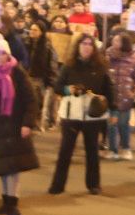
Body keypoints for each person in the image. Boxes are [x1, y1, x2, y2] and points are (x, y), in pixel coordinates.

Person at [0, 34, 39, 215]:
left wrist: (28, 123)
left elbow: (31, 100)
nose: (0, 57)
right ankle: (5, 201)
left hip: (15, 125)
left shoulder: (17, 73)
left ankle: (13, 202)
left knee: (13, 167)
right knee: (3, 167)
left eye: (3, 53)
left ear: (8, 54)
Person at [47, 34, 113, 196]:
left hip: (93, 115)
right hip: (71, 114)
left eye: (90, 44)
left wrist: (111, 108)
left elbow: (109, 90)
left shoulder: (100, 68)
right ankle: (57, 185)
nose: (86, 47)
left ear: (94, 48)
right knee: (65, 151)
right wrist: (68, 89)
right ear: (78, 46)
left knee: (92, 151)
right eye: (84, 43)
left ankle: (94, 184)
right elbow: (57, 87)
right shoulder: (68, 66)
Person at [104, 32, 135, 161]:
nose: (114, 43)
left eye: (117, 41)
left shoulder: (132, 58)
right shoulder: (107, 56)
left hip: (126, 97)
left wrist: (134, 92)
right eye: (113, 40)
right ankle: (112, 150)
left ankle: (126, 148)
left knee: (123, 124)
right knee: (111, 124)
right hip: (111, 96)